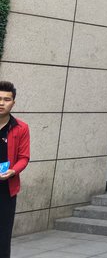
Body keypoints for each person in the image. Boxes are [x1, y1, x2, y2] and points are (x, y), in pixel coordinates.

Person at [0, 81, 29, 258]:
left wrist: (13, 171)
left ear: (13, 103)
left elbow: (24, 157)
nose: (1, 103)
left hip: (6, 189)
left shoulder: (21, 128)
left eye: (6, 99)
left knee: (3, 235)